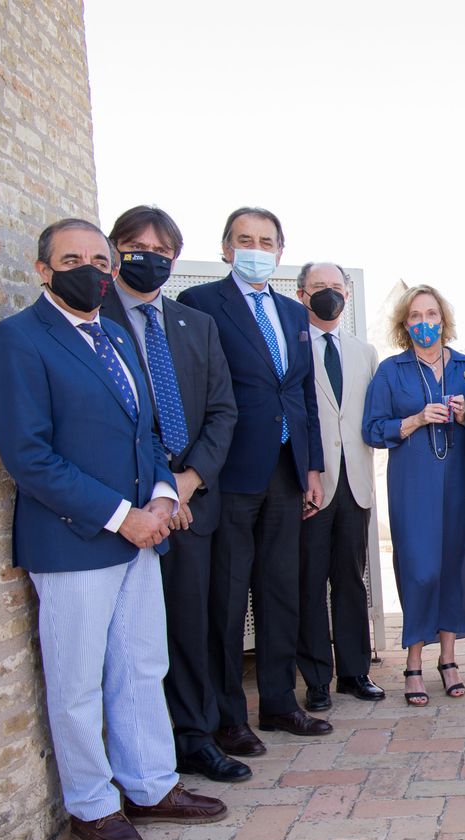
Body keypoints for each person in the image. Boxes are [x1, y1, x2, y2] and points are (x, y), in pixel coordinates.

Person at [0, 218, 225, 840]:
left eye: (97, 259)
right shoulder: (16, 342)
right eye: (72, 258)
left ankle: (151, 785)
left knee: (142, 666)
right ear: (43, 269)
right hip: (73, 544)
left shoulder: (115, 335)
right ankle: (93, 804)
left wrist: (165, 496)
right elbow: (30, 458)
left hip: (142, 535)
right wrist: (123, 515)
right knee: (77, 679)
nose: (89, 269)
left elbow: (143, 433)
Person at [99, 206, 246, 784]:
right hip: (131, 509)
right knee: (132, 641)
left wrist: (186, 483)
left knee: (191, 626)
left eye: (161, 250)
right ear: (114, 251)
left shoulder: (193, 325)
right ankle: (136, 751)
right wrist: (162, 491)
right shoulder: (95, 317)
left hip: (193, 504)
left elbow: (221, 411)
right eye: (135, 246)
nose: (149, 257)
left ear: (175, 259)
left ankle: (194, 737)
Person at [178, 207, 331, 755]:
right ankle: (227, 717)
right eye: (245, 240)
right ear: (225, 249)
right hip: (230, 473)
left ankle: (279, 703)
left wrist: (311, 467)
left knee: (279, 590)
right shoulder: (200, 305)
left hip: (287, 472)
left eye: (266, 241)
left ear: (280, 252)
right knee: (227, 597)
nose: (255, 248)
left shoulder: (295, 313)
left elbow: (303, 394)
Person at [365, 285, 465, 706]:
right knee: (420, 570)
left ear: (445, 319)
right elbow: (372, 429)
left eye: (432, 315)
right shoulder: (392, 370)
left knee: (455, 567)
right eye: (416, 317)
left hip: (461, 483)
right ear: (405, 324)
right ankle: (413, 662)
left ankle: (449, 659)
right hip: (413, 485)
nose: (425, 324)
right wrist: (416, 419)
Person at [296, 262, 385, 710]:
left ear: (347, 294)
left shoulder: (363, 351)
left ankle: (355, 672)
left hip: (356, 483)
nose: (329, 294)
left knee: (352, 580)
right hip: (312, 484)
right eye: (319, 287)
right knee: (310, 582)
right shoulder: (292, 346)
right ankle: (316, 679)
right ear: (301, 294)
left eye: (335, 287)